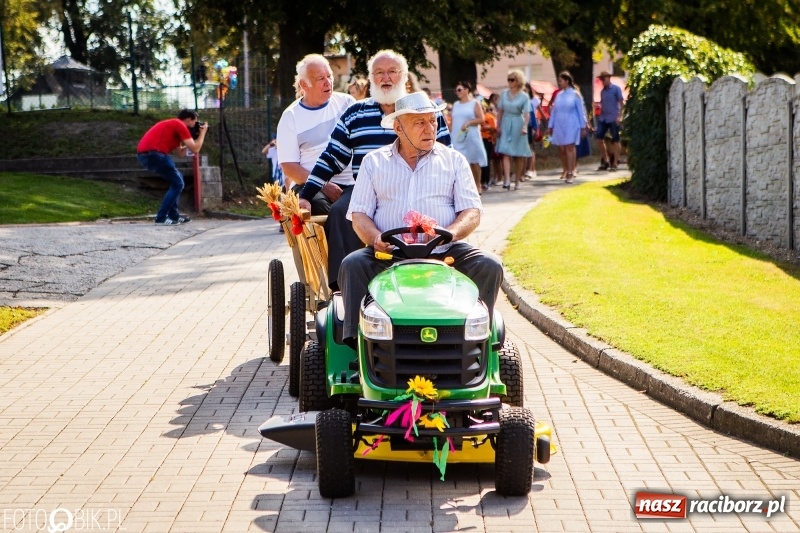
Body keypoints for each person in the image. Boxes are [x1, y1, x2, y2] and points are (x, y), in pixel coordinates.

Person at [339, 92, 503, 345]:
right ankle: (356, 346)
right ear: (398, 128)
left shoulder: (454, 161)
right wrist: (375, 239)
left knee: (489, 265)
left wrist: (449, 232)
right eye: (419, 122)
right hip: (391, 254)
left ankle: (479, 340)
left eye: (433, 121)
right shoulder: (374, 162)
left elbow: (471, 212)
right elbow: (359, 214)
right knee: (353, 264)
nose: (430, 129)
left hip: (445, 251)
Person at [298, 49, 451, 290]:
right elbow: (331, 158)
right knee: (340, 212)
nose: (385, 78)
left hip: (420, 182)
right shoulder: (355, 113)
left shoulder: (426, 109)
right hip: (366, 188)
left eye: (392, 71)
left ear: (404, 76)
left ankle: (437, 277)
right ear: (370, 78)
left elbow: (447, 155)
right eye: (378, 72)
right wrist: (306, 196)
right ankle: (344, 286)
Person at [276, 54, 356, 215]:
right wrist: (324, 184)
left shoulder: (347, 103)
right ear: (304, 84)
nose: (328, 82)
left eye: (329, 76)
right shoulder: (290, 117)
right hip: (309, 185)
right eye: (321, 78)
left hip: (351, 182)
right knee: (319, 207)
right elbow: (289, 167)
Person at [137, 109, 207, 225]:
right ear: (188, 120)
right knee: (178, 183)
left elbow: (180, 154)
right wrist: (202, 134)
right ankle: (161, 217)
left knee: (177, 180)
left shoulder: (174, 128)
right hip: (154, 154)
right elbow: (195, 149)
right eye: (195, 122)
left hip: (148, 154)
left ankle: (173, 215)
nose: (196, 125)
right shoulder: (179, 124)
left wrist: (194, 139)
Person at [547, 71, 587, 184]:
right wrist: (550, 126)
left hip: (572, 123)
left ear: (567, 81)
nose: (559, 83)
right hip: (560, 124)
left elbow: (580, 112)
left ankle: (570, 172)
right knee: (562, 148)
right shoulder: (558, 95)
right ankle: (566, 169)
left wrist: (583, 126)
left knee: (570, 146)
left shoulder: (575, 94)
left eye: (561, 81)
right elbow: (554, 112)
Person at [495, 69, 531, 191]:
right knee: (505, 152)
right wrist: (498, 125)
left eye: (512, 80)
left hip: (517, 123)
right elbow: (500, 111)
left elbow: (526, 114)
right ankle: (507, 179)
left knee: (518, 155)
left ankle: (517, 181)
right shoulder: (504, 94)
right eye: (508, 79)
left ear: (518, 81)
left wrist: (525, 126)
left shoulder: (524, 96)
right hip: (505, 123)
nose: (509, 82)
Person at [451, 81, 487, 194]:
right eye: (456, 90)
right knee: (459, 162)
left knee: (473, 161)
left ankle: (478, 185)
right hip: (457, 136)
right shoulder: (456, 104)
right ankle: (464, 188)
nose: (457, 92)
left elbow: (481, 119)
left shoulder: (474, 103)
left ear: (467, 90)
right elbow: (452, 121)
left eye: (460, 90)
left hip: (471, 136)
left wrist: (469, 122)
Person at [595, 71, 624, 171]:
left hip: (613, 117)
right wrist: (599, 106)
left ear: (609, 78)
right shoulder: (602, 92)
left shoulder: (616, 89)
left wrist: (620, 116)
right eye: (602, 79)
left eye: (604, 79)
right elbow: (603, 104)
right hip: (604, 117)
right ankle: (606, 160)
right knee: (599, 138)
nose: (603, 81)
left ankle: (615, 162)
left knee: (616, 140)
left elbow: (621, 102)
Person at [479, 102, 497, 191]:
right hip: (478, 139)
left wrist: (488, 128)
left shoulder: (489, 117)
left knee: (486, 161)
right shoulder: (474, 118)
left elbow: (494, 129)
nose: (481, 109)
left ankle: (485, 181)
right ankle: (479, 181)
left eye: (482, 108)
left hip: (487, 140)